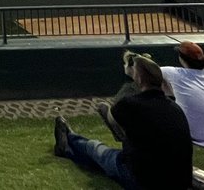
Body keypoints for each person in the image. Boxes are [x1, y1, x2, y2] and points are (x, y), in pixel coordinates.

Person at [54, 52, 193, 189]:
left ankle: (69, 140)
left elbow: (115, 122)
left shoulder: (129, 104)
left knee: (97, 149)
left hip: (142, 179)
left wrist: (130, 77)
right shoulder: (175, 108)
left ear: (137, 76)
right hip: (180, 182)